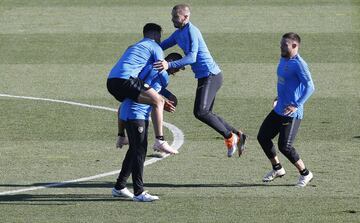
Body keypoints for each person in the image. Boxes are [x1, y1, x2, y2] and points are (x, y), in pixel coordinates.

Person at [153, 4, 246, 157]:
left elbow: (192, 57)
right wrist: (145, 47)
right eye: (172, 16)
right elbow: (161, 46)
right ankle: (238, 135)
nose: (172, 20)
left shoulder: (192, 31)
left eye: (175, 17)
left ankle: (230, 137)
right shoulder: (178, 33)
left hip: (211, 75)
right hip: (205, 76)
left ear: (185, 17)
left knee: (201, 112)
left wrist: (168, 64)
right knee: (206, 112)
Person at [111, 53, 184, 202]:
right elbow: (151, 93)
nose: (177, 71)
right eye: (179, 67)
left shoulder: (146, 67)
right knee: (139, 152)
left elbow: (144, 89)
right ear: (172, 63)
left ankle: (119, 187)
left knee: (134, 150)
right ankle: (139, 192)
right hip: (136, 114)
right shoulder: (162, 74)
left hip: (127, 111)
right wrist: (163, 102)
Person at [107, 23, 176, 154]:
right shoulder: (155, 47)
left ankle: (121, 136)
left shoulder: (133, 47)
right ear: (156, 34)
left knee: (127, 100)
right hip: (126, 79)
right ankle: (160, 140)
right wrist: (166, 86)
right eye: (160, 35)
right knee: (159, 101)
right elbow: (161, 69)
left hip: (111, 81)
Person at [257, 32, 315, 187]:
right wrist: (278, 96)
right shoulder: (283, 58)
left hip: (292, 113)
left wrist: (296, 104)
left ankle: (306, 173)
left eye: (285, 45)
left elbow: (310, 87)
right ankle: (277, 168)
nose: (281, 47)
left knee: (285, 146)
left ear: (295, 46)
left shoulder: (299, 64)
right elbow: (284, 81)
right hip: (279, 108)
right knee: (263, 137)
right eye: (281, 44)